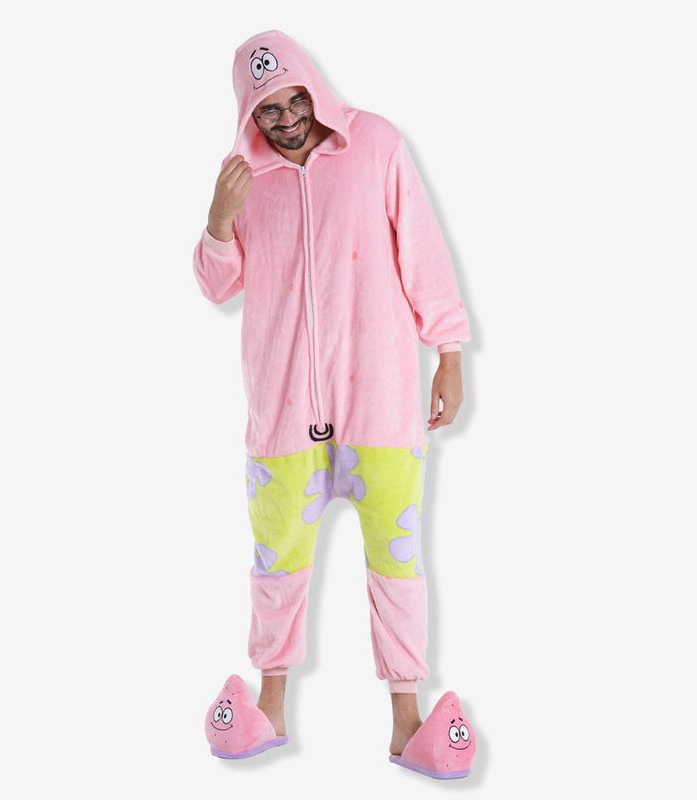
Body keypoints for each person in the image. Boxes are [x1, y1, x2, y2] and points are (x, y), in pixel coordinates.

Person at [194, 30, 477, 779]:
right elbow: (218, 285)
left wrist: (449, 351)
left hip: (379, 399)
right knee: (276, 563)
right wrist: (218, 220)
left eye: (296, 101)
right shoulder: (241, 179)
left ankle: (406, 720)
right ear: (248, 112)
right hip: (283, 409)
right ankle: (270, 705)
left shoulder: (375, 145)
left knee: (398, 563)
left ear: (314, 89)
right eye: (268, 110)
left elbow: (422, 252)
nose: (287, 119)